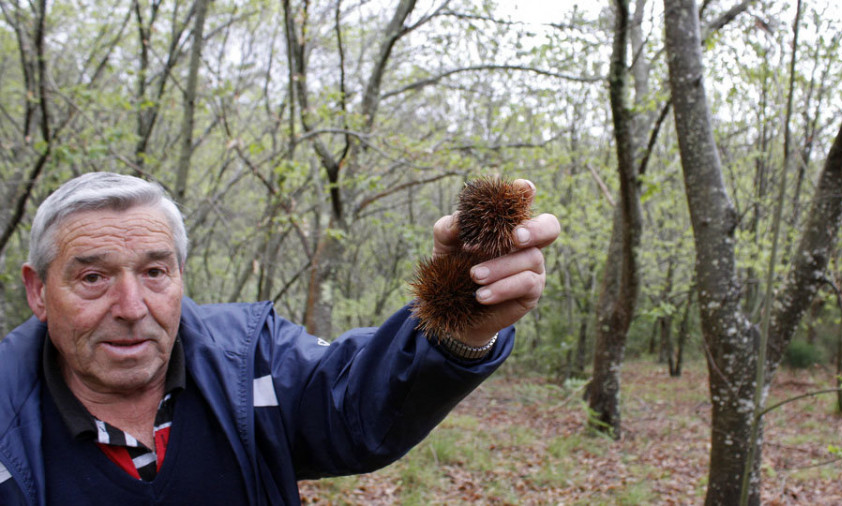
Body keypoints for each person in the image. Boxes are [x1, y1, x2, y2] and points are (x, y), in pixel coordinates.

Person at [0, 172, 560, 505]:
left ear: (180, 277)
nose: (130, 308)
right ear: (39, 291)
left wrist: (455, 325)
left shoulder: (252, 362)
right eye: (93, 277)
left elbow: (357, 404)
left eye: (154, 272)